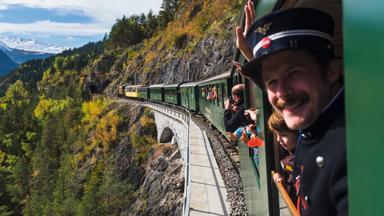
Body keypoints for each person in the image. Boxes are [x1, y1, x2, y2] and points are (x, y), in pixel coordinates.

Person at [236, 7, 347, 216]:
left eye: (294, 73)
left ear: (331, 71)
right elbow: (285, 97)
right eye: (272, 81)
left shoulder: (349, 153)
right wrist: (252, 51)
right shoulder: (316, 118)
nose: (281, 93)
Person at [268, 111, 298, 203]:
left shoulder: (300, 161)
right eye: (277, 135)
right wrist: (284, 185)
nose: (278, 139)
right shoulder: (291, 155)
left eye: (283, 135)